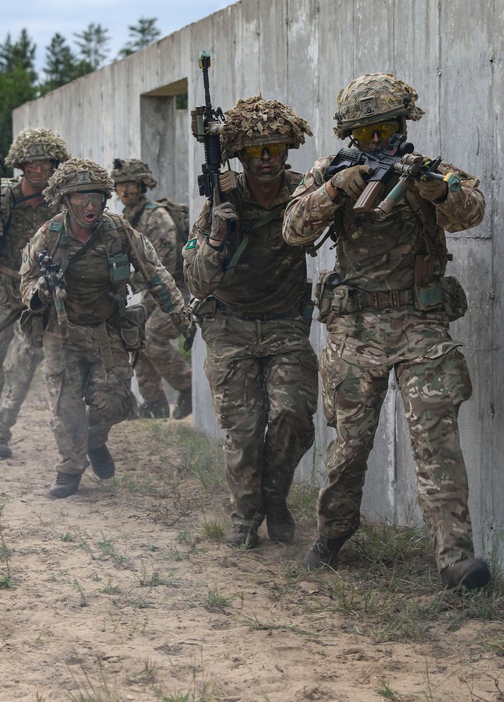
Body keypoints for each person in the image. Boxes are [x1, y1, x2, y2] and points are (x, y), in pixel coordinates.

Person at [282, 73, 490, 590]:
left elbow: (470, 211)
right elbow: (292, 229)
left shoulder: (428, 172)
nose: (376, 142)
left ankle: (456, 558)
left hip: (421, 326)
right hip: (355, 331)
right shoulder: (330, 172)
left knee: (435, 441)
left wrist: (435, 189)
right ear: (352, 136)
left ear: (402, 126)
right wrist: (333, 190)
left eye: (385, 131)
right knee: (349, 448)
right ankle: (331, 535)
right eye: (366, 134)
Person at [183, 96, 318, 549]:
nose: (266, 160)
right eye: (257, 152)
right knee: (243, 430)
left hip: (284, 325)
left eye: (275, 150)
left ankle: (275, 498)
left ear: (287, 152)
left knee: (294, 417)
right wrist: (218, 236)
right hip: (230, 326)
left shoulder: (302, 194)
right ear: (241, 155)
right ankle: (245, 516)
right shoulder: (220, 200)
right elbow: (199, 282)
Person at [19, 159, 192, 499]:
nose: (90, 205)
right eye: (81, 197)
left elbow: (156, 273)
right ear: (66, 200)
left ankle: (95, 441)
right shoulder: (50, 235)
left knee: (117, 403)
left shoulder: (118, 230)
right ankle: (69, 470)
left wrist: (182, 318)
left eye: (96, 197)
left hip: (106, 329)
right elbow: (25, 282)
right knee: (66, 410)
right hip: (62, 331)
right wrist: (40, 291)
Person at [0, 128, 69, 459]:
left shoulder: (60, 203)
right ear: (21, 166)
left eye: (44, 164)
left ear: (54, 166)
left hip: (35, 295)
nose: (38, 170)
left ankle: (1, 430)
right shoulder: (2, 201)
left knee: (25, 364)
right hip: (2, 289)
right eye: (31, 164)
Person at [111, 158, 193, 420]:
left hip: (176, 289)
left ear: (142, 185)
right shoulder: (129, 217)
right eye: (120, 185)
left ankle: (187, 386)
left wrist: (128, 283)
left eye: (131, 185)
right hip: (152, 290)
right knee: (136, 335)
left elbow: (164, 265)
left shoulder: (155, 217)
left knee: (153, 335)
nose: (125, 191)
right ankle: (155, 403)